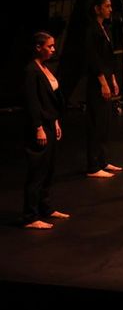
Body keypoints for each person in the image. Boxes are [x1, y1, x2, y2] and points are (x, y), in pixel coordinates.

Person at [21, 32, 71, 229]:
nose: (53, 49)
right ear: (38, 47)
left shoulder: (45, 67)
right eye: (49, 46)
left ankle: (45, 208)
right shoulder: (31, 71)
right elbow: (32, 101)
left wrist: (55, 121)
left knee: (49, 169)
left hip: (50, 123)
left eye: (53, 46)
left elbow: (51, 100)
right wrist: (38, 127)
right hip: (40, 126)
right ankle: (30, 216)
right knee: (37, 171)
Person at [84, 0, 123, 178]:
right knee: (96, 122)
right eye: (107, 6)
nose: (110, 9)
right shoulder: (91, 30)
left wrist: (113, 79)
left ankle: (102, 160)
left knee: (105, 122)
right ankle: (93, 166)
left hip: (106, 77)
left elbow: (108, 58)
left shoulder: (104, 28)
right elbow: (93, 58)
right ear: (96, 9)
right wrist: (103, 82)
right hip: (97, 82)